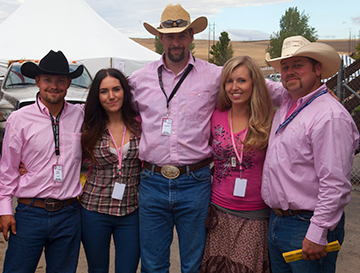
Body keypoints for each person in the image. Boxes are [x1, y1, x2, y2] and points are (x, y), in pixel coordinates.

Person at [128, 3, 222, 273]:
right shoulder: (140, 79)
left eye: (182, 35)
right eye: (170, 36)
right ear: (161, 38)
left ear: (192, 36)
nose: (176, 42)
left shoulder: (213, 75)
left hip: (196, 182)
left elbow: (256, 86)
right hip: (152, 182)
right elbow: (106, 105)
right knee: (153, 264)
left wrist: (296, 96)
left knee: (194, 264)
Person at [262, 35, 359, 273]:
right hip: (279, 221)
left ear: (318, 69)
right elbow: (257, 83)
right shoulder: (289, 101)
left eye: (298, 65)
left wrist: (318, 231)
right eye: (285, 67)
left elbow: (335, 184)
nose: (290, 72)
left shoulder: (329, 116)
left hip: (307, 225)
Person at [0, 50, 84, 272]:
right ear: (37, 81)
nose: (53, 86)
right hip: (30, 213)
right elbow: (7, 169)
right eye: (47, 80)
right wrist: (5, 209)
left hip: (69, 213)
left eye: (60, 80)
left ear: (68, 83)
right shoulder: (19, 119)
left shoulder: (81, 115)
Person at [200, 56, 273, 273]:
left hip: (255, 213)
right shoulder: (216, 116)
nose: (234, 87)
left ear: (254, 84)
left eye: (241, 80)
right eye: (229, 81)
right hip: (219, 211)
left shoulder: (269, 119)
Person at [80, 68, 141, 273]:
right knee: (97, 270)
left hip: (131, 210)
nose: (111, 96)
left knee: (127, 269)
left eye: (116, 89)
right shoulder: (88, 125)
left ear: (125, 91)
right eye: (104, 91)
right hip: (94, 210)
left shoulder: (140, 124)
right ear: (97, 96)